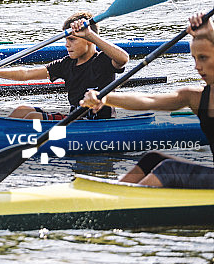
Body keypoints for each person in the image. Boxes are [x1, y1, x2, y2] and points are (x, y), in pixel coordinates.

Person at [81, 12, 214, 189]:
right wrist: (104, 97)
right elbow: (147, 100)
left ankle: (122, 208)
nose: (197, 66)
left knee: (169, 169)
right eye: (195, 58)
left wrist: (210, 30)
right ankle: (111, 196)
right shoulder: (195, 97)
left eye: (203, 58)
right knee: (152, 159)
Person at [0, 11, 129, 120]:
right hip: (74, 119)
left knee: (33, 116)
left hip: (97, 124)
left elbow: (123, 59)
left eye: (72, 40)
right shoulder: (66, 64)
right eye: (66, 40)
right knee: (22, 110)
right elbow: (26, 74)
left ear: (89, 40)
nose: (67, 45)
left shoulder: (102, 61)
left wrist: (90, 34)